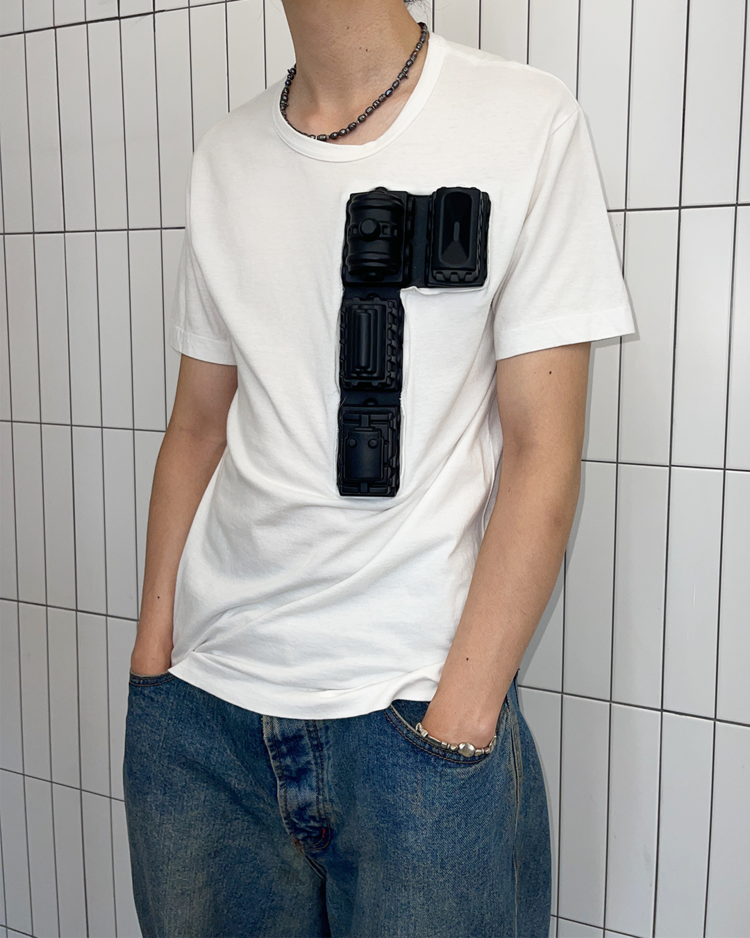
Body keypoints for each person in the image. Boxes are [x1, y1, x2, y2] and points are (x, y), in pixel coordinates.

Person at [122, 0, 636, 935]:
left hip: (416, 730)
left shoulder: (525, 119)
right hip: (205, 718)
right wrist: (154, 662)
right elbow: (197, 425)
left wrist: (461, 718)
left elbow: (543, 452)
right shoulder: (226, 155)